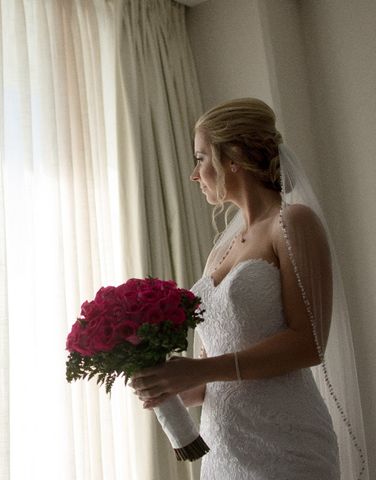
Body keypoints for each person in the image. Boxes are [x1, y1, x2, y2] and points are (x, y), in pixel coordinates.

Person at [129, 98, 367, 479]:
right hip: (224, 450)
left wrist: (199, 370)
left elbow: (308, 343)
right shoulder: (219, 252)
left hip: (286, 445)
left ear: (233, 156)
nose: (195, 174)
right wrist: (167, 382)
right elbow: (209, 379)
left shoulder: (292, 223)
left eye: (201, 158)